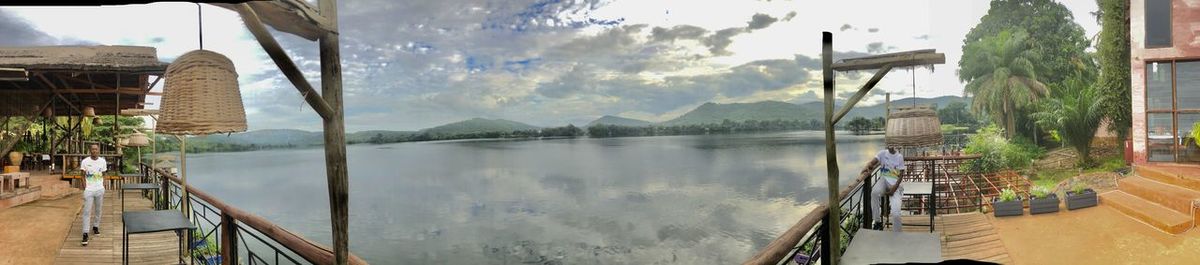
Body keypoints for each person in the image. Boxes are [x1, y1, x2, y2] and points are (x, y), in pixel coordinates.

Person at [870, 146, 904, 232]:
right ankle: (877, 221)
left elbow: (901, 175)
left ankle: (897, 234)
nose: (890, 145)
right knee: (874, 193)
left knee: (896, 214)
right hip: (883, 181)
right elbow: (872, 162)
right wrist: (866, 167)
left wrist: (894, 189)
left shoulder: (899, 157)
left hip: (895, 185)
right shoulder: (882, 153)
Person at [80, 144, 106, 246]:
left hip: (99, 189)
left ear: (98, 150)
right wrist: (85, 187)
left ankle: (95, 226)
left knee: (98, 210)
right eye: (93, 149)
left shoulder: (102, 161)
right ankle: (85, 233)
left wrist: (103, 185)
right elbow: (82, 175)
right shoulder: (85, 162)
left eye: (96, 149)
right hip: (89, 190)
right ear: (90, 151)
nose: (94, 151)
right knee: (87, 211)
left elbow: (104, 174)